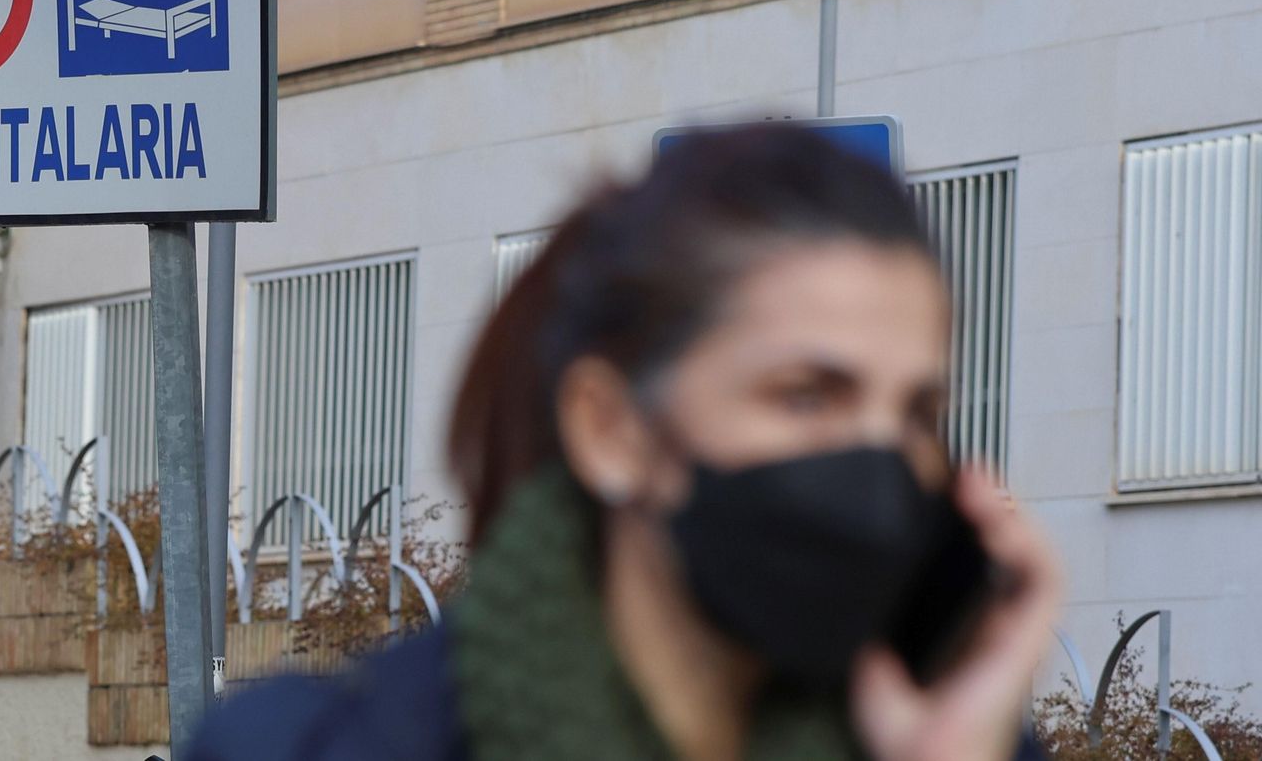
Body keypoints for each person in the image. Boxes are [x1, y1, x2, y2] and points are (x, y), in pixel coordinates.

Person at [193, 125, 1060, 761]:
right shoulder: (310, 748)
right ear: (612, 432)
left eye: (916, 415)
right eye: (805, 396)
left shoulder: (956, 741)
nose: (876, 465)